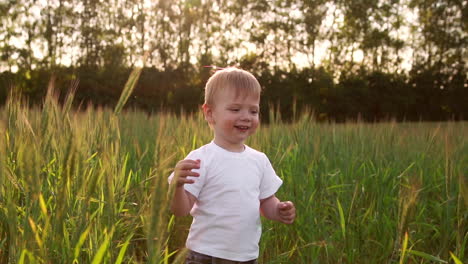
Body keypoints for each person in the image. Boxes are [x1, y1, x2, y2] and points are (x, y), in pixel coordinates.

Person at [169, 67, 296, 264]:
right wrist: (177, 186)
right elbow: (181, 210)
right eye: (235, 109)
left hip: (246, 257)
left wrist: (279, 210)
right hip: (205, 255)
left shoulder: (259, 160)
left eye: (253, 111)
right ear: (210, 114)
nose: (246, 116)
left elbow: (265, 203)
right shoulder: (201, 159)